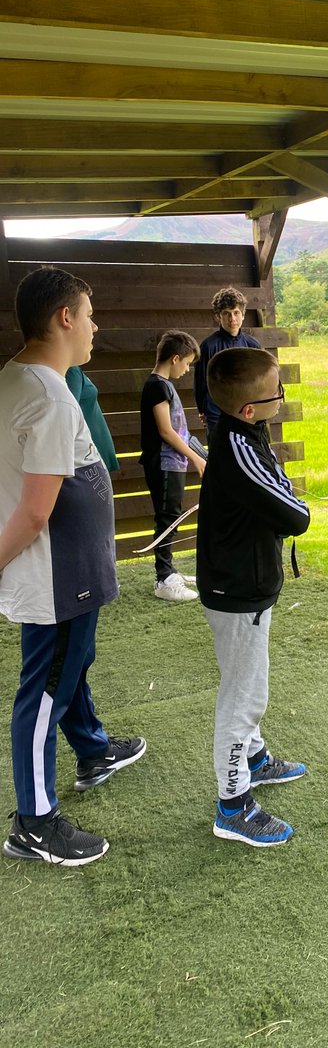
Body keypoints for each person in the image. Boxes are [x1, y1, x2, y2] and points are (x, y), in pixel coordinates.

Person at [0, 267, 146, 867]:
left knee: (67, 665)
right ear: (64, 317)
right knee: (43, 691)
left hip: (69, 573)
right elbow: (36, 513)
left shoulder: (23, 379)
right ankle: (34, 824)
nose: (95, 327)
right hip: (57, 575)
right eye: (89, 314)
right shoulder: (48, 397)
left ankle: (91, 749)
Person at [196, 347, 310, 847]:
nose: (282, 397)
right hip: (237, 590)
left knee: (247, 685)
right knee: (244, 697)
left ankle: (255, 760)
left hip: (245, 583)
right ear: (249, 409)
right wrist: (295, 503)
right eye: (276, 392)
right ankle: (233, 804)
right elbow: (295, 513)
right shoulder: (240, 448)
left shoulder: (248, 432)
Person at [139, 331, 207, 601]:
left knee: (172, 516)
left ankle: (169, 571)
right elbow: (167, 432)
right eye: (187, 363)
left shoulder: (164, 385)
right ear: (175, 358)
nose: (187, 369)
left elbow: (180, 432)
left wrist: (200, 452)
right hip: (164, 464)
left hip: (173, 463)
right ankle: (164, 579)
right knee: (167, 519)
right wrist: (195, 457)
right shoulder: (158, 386)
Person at [194, 287, 261, 441]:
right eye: (226, 314)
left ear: (243, 315)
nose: (232, 319)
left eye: (236, 313)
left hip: (246, 413)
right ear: (218, 316)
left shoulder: (253, 346)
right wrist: (202, 410)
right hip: (216, 413)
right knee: (221, 457)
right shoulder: (208, 346)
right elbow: (200, 382)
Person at [65, 366, 119, 475]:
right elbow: (68, 415)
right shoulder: (71, 371)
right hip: (87, 458)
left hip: (93, 454)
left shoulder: (74, 370)